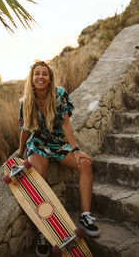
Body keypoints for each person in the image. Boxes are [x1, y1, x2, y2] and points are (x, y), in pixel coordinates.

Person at [18, 61, 100, 257]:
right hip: (37, 144)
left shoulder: (60, 94)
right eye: (37, 73)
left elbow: (66, 125)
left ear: (50, 78)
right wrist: (20, 154)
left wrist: (76, 150)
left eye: (44, 74)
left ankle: (86, 217)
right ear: (32, 77)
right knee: (37, 176)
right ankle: (43, 230)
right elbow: (24, 130)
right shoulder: (25, 101)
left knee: (85, 163)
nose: (40, 77)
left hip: (59, 144)